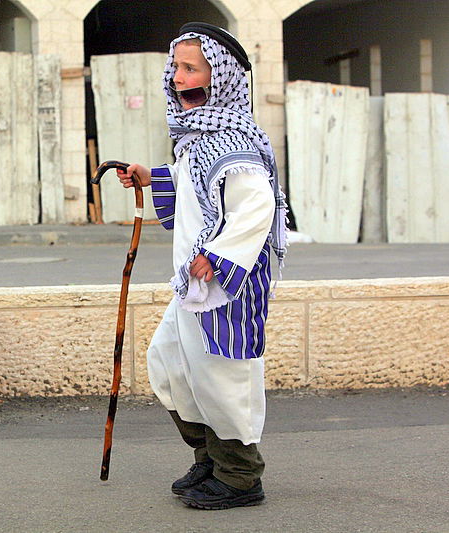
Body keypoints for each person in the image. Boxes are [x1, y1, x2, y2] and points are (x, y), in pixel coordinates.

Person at [115, 22, 288, 510]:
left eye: (191, 69)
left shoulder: (235, 143)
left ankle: (239, 476)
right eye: (176, 68)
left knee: (222, 376)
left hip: (224, 287)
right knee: (169, 364)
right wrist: (154, 176)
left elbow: (256, 210)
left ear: (222, 77)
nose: (178, 78)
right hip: (194, 285)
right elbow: (195, 184)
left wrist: (217, 257)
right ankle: (210, 456)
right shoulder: (198, 139)